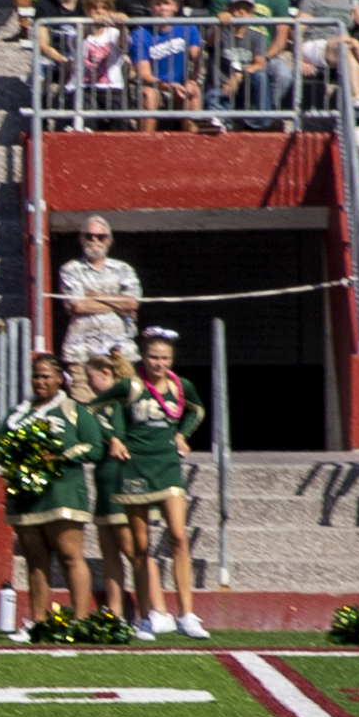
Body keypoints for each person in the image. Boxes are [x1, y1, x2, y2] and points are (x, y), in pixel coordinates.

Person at [86, 330, 209, 638]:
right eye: (153, 357)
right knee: (140, 546)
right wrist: (113, 438)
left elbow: (198, 410)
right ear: (143, 357)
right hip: (136, 466)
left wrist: (182, 434)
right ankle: (145, 618)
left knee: (179, 536)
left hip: (167, 466)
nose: (159, 363)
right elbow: (92, 409)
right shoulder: (130, 386)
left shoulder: (182, 386)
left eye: (165, 358)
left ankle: (188, 614)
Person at [1, 352, 103, 627]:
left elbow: (95, 447)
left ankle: (81, 621)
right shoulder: (17, 413)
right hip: (26, 497)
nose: (40, 381)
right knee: (35, 560)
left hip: (64, 493)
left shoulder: (73, 410)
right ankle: (37, 621)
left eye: (46, 376)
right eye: (36, 376)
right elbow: (3, 446)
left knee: (70, 556)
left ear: (60, 378)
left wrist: (59, 456)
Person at [82, 352, 138, 619]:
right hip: (103, 482)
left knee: (132, 549)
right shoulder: (97, 404)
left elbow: (125, 436)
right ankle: (114, 612)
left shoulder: (123, 401)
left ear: (106, 373)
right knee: (109, 553)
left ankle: (150, 611)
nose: (89, 384)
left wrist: (112, 438)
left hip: (122, 480)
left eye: (90, 378)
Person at [57, 216, 140, 365]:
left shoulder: (124, 269)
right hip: (81, 352)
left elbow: (132, 304)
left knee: (123, 389)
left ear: (109, 240)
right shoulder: (70, 269)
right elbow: (77, 306)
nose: (95, 240)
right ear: (82, 239)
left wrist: (96, 296)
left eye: (101, 237)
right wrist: (117, 303)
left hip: (120, 351)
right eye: (89, 236)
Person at [130, 0, 205, 128]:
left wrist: (192, 80)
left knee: (193, 91)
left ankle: (193, 144)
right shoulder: (140, 34)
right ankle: (144, 146)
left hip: (180, 85)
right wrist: (166, 86)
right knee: (149, 96)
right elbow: (145, 74)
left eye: (166, 3)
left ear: (175, 7)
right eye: (157, 4)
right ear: (151, 7)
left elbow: (197, 57)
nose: (162, 8)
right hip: (155, 85)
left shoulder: (188, 28)